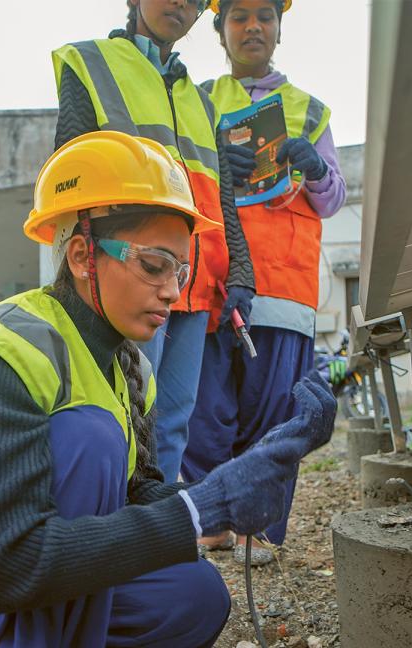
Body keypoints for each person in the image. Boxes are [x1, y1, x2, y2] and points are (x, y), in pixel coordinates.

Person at [0, 132, 337, 648]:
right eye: (154, 265)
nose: (173, 292)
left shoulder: (130, 367)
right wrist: (201, 509)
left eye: (181, 270)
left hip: (7, 574)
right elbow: (11, 567)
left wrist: (233, 485)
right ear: (82, 256)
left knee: (193, 597)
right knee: (90, 437)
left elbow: (137, 494)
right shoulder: (5, 349)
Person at [52, 0, 257, 484]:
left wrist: (240, 272)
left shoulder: (203, 103)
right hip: (127, 275)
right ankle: (114, 520)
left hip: (192, 283)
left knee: (174, 420)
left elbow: (223, 198)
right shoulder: (92, 63)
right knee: (119, 414)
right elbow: (71, 175)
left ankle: (156, 519)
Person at [185, 0, 347, 565]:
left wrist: (317, 169)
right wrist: (212, 167)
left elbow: (333, 200)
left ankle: (256, 527)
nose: (253, 26)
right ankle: (210, 521)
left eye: (264, 15)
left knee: (273, 413)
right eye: (239, 16)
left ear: (279, 28)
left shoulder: (311, 111)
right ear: (219, 30)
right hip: (211, 278)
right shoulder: (198, 101)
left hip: (284, 286)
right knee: (205, 409)